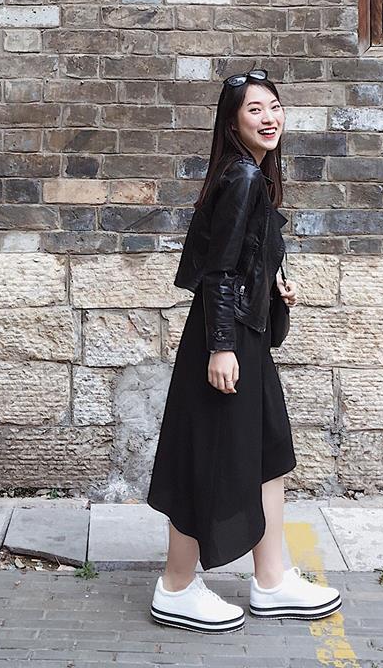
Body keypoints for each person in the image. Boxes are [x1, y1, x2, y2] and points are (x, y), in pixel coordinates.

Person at [146, 67, 342, 633]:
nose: (269, 117)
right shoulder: (243, 177)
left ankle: (272, 580)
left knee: (269, 451)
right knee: (203, 455)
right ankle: (176, 587)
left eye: (274, 106)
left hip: (242, 336)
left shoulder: (251, 176)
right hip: (225, 340)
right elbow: (217, 271)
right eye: (255, 109)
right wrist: (221, 348)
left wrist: (273, 284)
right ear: (232, 123)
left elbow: (239, 256)